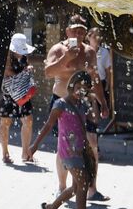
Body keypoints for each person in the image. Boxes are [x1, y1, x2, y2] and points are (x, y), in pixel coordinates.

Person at [27, 70, 101, 209]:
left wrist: (95, 100)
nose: (80, 90)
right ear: (72, 85)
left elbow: (95, 120)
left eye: (85, 89)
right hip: (67, 151)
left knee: (76, 187)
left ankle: (50, 208)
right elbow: (48, 125)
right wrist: (34, 146)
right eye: (78, 86)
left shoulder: (83, 105)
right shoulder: (60, 104)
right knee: (82, 183)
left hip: (80, 150)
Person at [44, 15, 109, 199]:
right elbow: (48, 73)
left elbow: (95, 80)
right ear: (67, 32)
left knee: (93, 144)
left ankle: (92, 189)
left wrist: (103, 103)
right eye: (74, 30)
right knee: (63, 146)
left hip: (84, 103)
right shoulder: (58, 49)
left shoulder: (89, 52)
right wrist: (66, 57)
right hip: (62, 101)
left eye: (81, 31)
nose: (78, 34)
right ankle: (62, 186)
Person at [0, 32, 38, 165]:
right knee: (5, 123)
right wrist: (22, 72)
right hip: (9, 94)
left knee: (28, 121)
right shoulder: (6, 57)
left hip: (22, 93)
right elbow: (6, 72)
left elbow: (25, 68)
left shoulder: (24, 57)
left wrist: (28, 68)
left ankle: (25, 152)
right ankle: (5, 153)